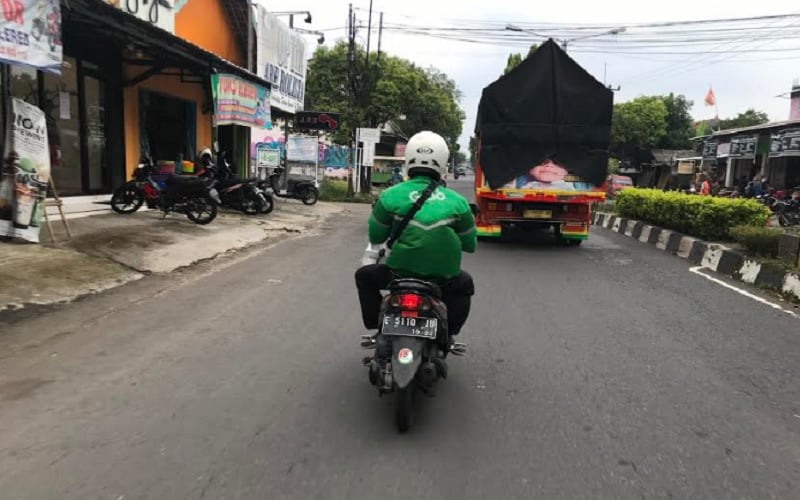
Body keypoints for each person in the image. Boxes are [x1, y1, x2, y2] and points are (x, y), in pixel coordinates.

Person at [355, 131, 477, 345]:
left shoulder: (390, 195)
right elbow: (470, 245)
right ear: (442, 163)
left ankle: (377, 324)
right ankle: (449, 334)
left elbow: (376, 236)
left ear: (408, 159)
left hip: (398, 274)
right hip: (443, 277)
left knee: (364, 276)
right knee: (465, 283)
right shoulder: (458, 202)